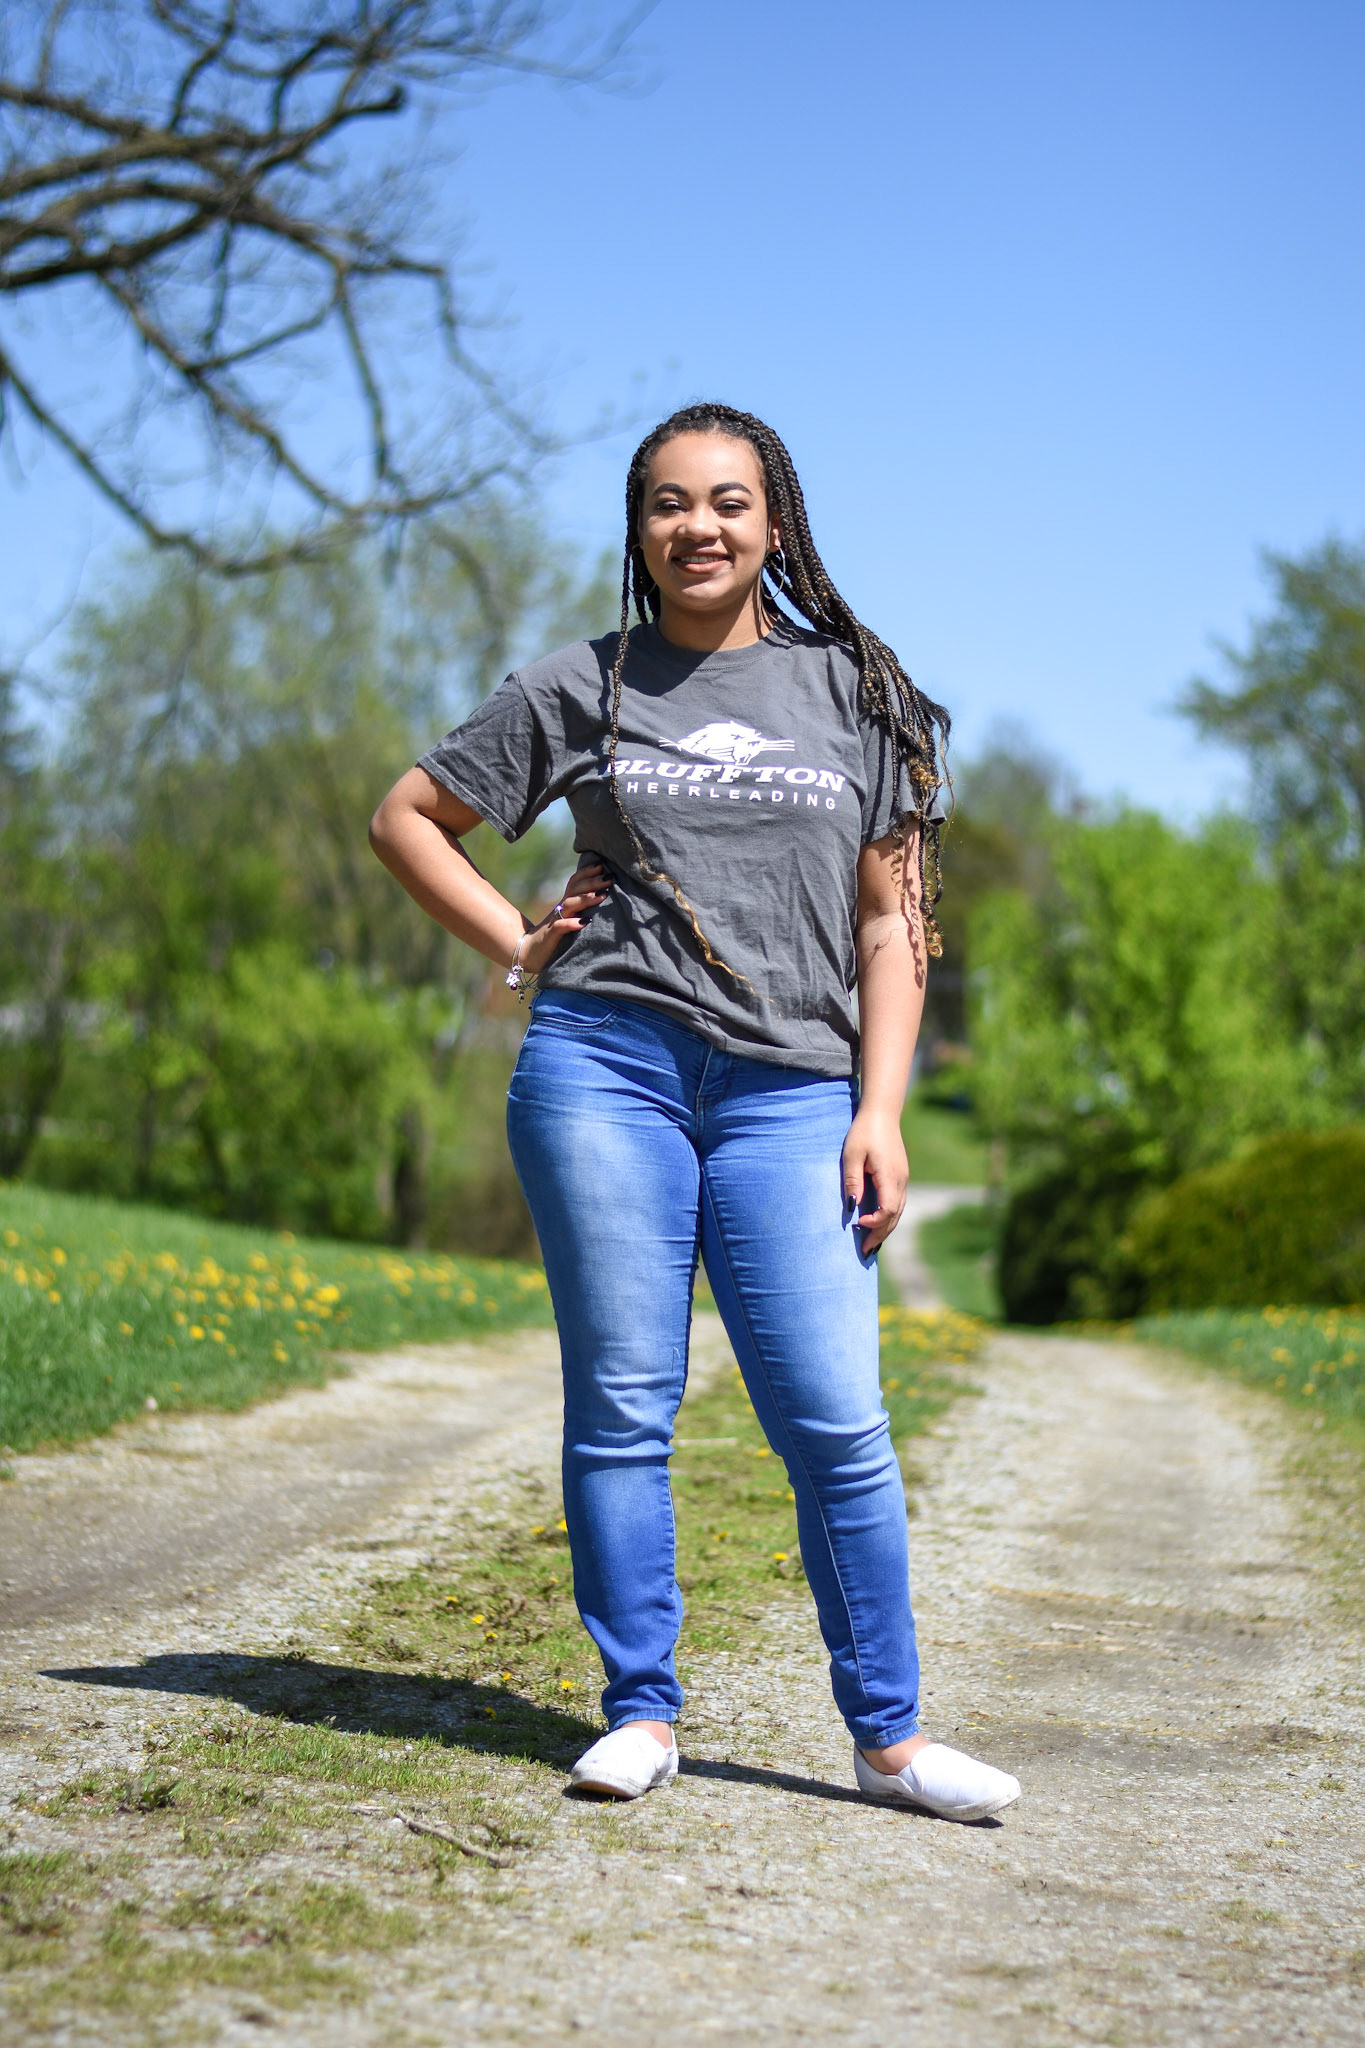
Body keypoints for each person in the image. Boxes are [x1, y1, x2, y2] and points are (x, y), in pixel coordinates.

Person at [370, 402, 1019, 1822]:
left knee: (834, 1416)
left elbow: (893, 922)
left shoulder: (861, 692)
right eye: (668, 503)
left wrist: (881, 1107)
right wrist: (515, 939)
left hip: (795, 1089)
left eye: (728, 501)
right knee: (622, 1403)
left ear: (774, 524)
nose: (698, 527)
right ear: (638, 528)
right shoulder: (580, 685)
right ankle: (640, 1713)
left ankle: (891, 1740)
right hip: (605, 1066)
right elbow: (407, 816)